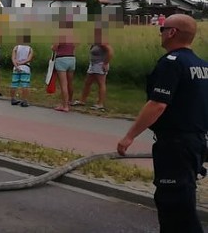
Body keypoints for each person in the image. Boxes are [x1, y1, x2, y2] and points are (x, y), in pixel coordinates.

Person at [117, 14, 208, 232]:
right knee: (182, 199)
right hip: (194, 142)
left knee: (174, 204)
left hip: (175, 144)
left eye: (162, 29)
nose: (161, 32)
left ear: (172, 32)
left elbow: (158, 104)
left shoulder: (171, 63)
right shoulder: (202, 65)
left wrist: (129, 136)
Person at [72, 26, 114, 111]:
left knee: (101, 83)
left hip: (100, 64)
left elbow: (110, 52)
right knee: (87, 82)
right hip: (93, 64)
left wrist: (105, 63)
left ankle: (100, 104)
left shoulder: (102, 41)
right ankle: (82, 100)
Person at [52, 34, 77, 112]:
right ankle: (69, 101)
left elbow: (55, 47)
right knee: (70, 82)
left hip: (61, 59)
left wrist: (52, 47)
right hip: (72, 58)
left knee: (63, 84)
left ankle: (65, 106)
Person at [9, 35, 33, 107]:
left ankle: (13, 99)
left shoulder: (16, 47)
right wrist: (22, 63)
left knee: (14, 83)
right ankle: (24, 100)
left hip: (16, 68)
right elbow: (29, 59)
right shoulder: (30, 49)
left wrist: (16, 65)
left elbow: (13, 58)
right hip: (25, 68)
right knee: (25, 84)